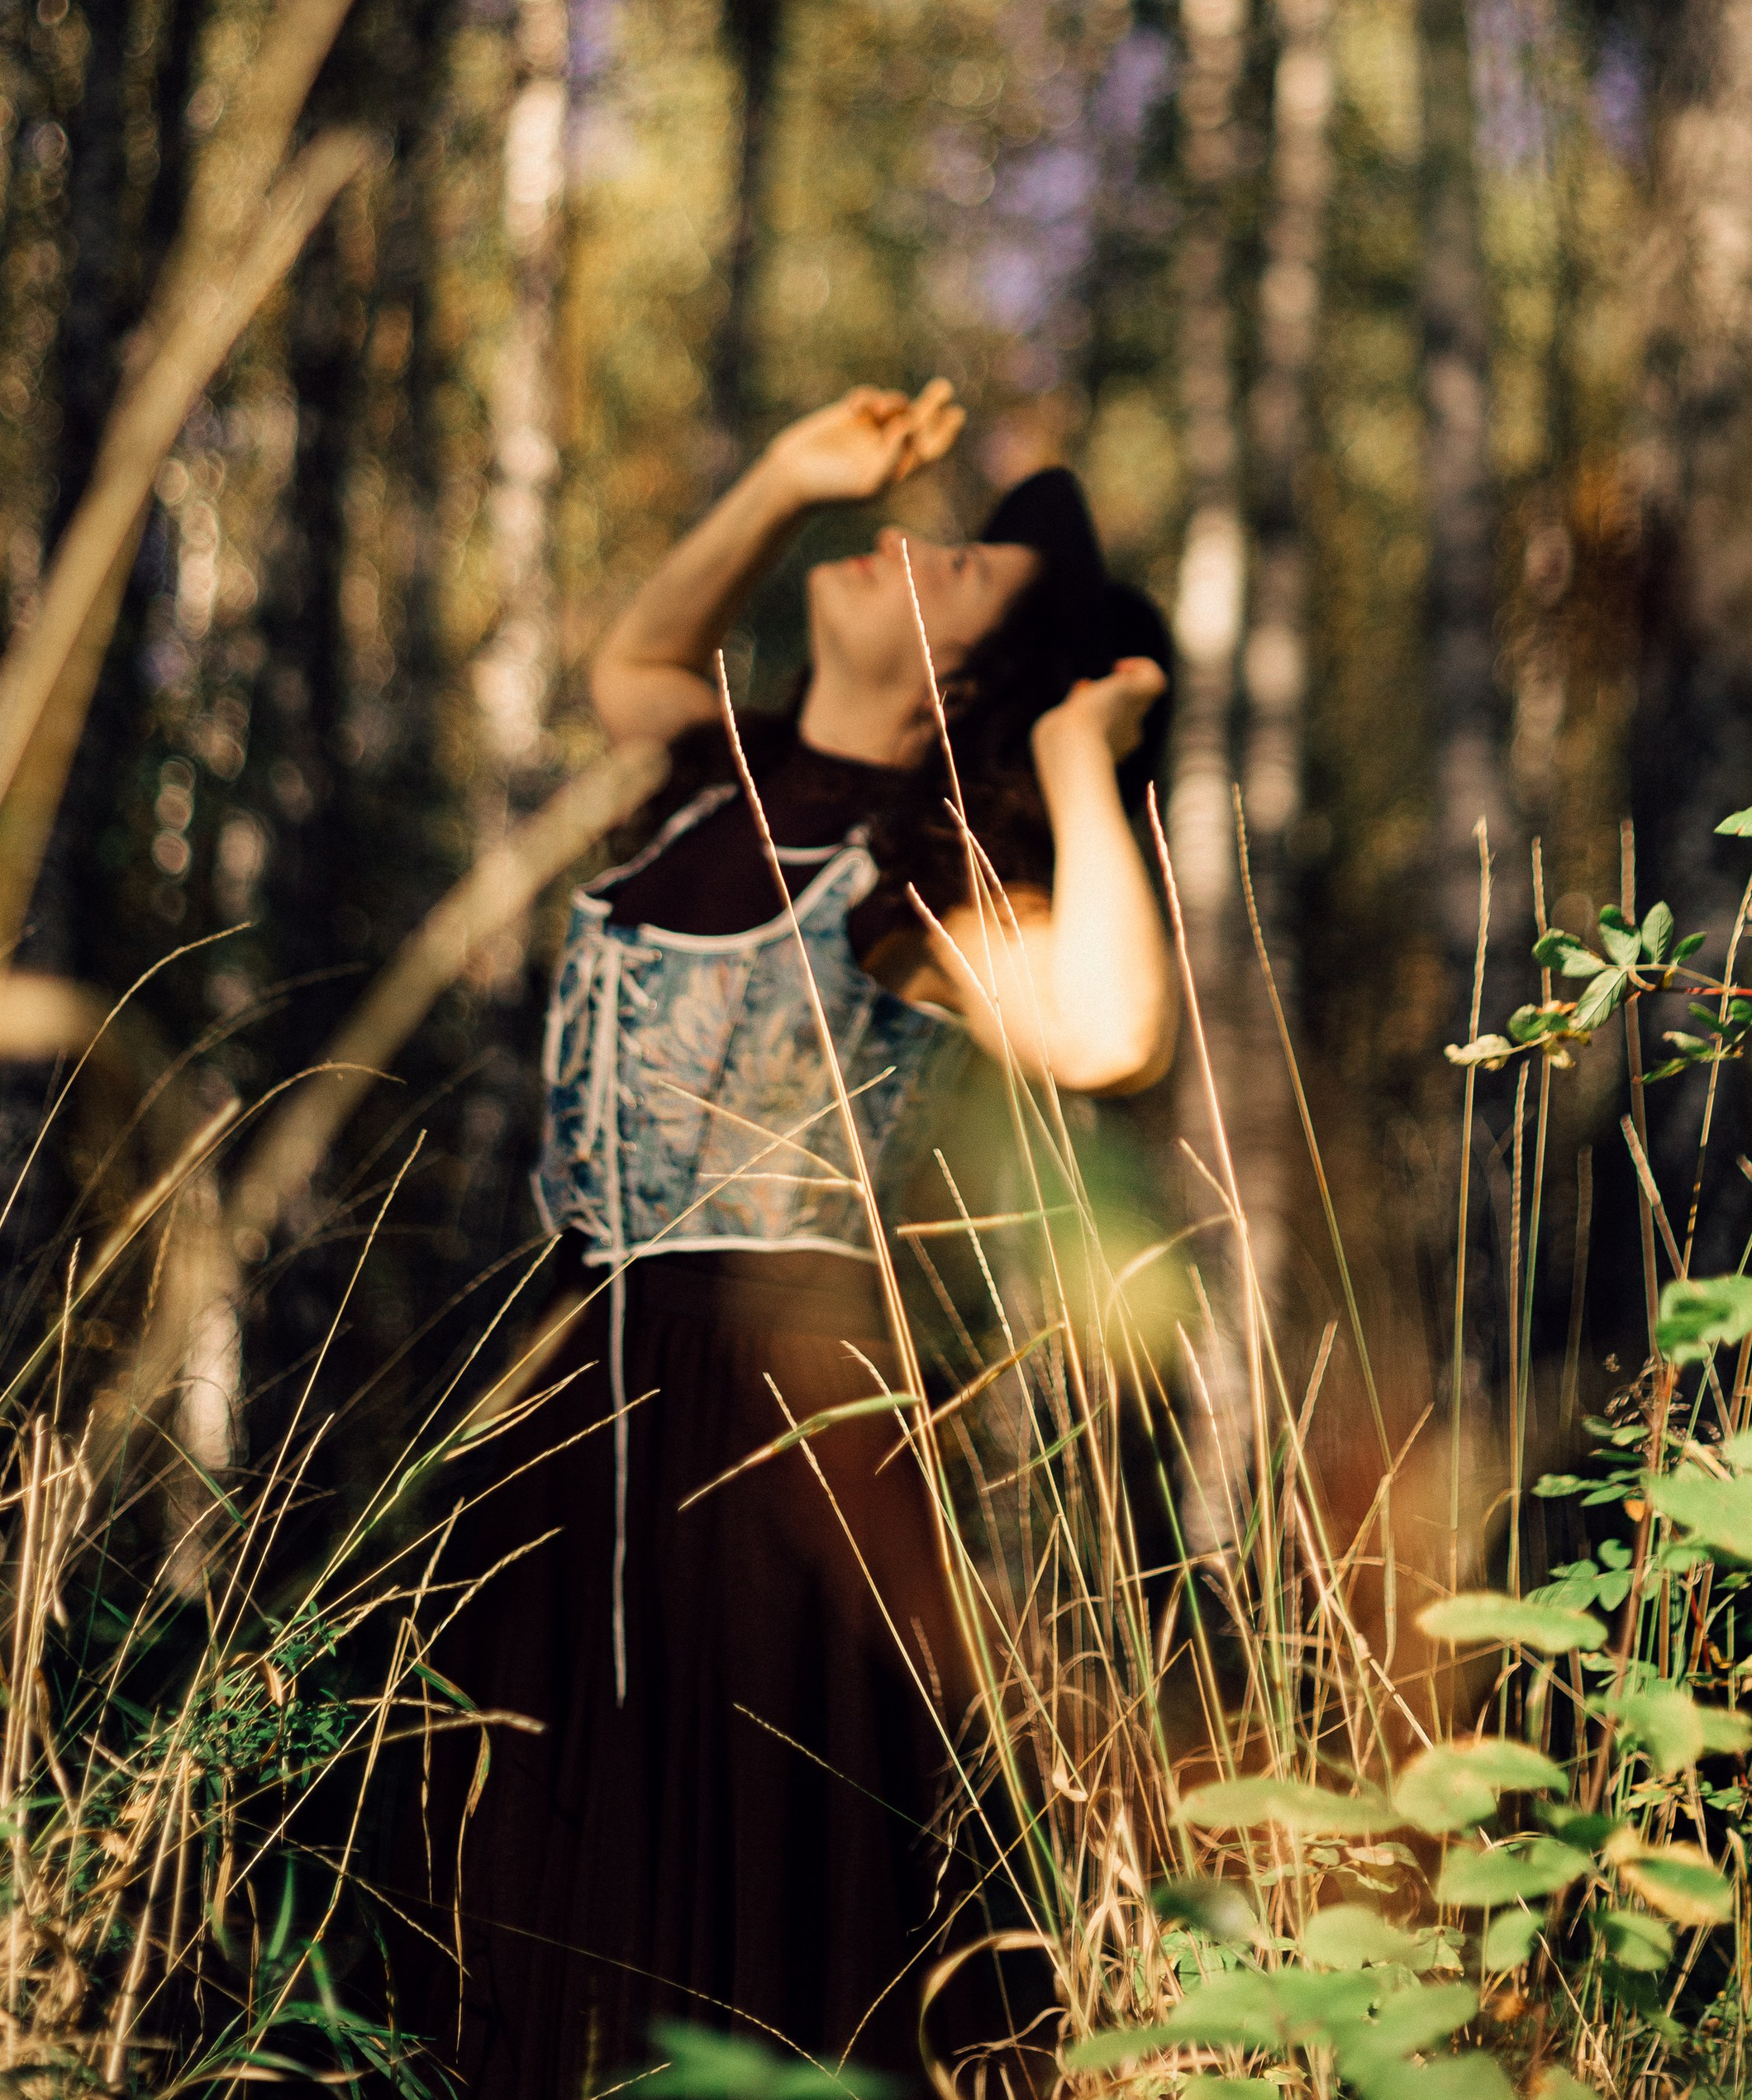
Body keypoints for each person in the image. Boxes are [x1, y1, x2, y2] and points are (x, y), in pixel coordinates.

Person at [391, 383, 1174, 2097]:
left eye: (954, 565)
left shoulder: (916, 876)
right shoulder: (703, 775)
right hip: (563, 1381)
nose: (900, 540)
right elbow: (631, 662)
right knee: (544, 1837)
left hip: (778, 1420)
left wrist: (1065, 761)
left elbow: (1110, 1034)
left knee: (749, 1865)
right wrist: (775, 482)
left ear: (973, 675)